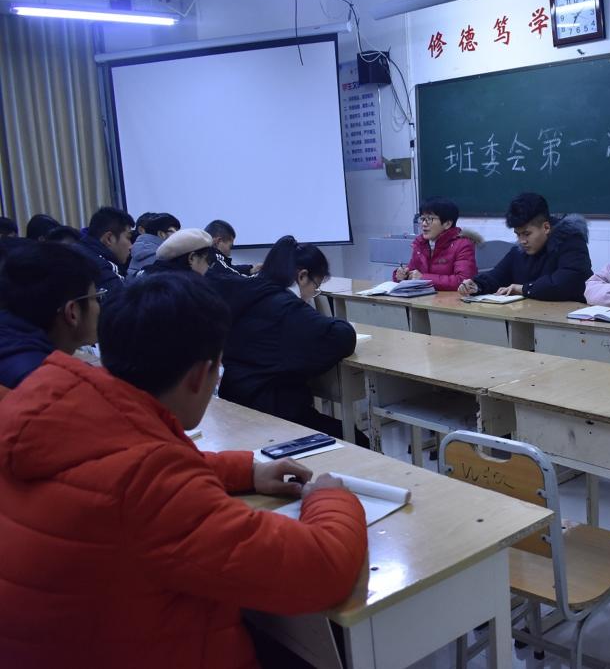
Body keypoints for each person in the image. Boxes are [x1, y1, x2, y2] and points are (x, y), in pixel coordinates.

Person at [0, 272, 367, 666]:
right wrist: (330, 499)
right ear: (199, 375)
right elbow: (323, 572)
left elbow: (109, 462)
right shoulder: (150, 483)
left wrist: (245, 471)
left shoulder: (43, 406)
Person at [206, 235, 367, 446]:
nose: (313, 294)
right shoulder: (286, 307)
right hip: (272, 416)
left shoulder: (247, 290)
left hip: (235, 405)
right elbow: (342, 338)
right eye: (316, 286)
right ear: (302, 276)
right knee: (358, 441)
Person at [0, 242, 102, 388]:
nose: (99, 307)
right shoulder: (53, 386)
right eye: (95, 298)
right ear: (72, 312)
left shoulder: (11, 345)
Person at [458, 192, 592, 301]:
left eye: (527, 234)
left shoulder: (572, 243)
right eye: (518, 234)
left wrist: (523, 289)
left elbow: (562, 284)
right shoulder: (519, 250)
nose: (522, 241)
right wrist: (477, 285)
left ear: (546, 227)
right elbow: (497, 275)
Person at [393, 196, 480, 291]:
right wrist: (402, 275)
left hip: (451, 299)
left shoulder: (462, 244)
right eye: (422, 219)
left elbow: (463, 281)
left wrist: (423, 278)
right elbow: (412, 272)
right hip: (424, 297)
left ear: (447, 224)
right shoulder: (420, 243)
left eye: (429, 219)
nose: (424, 224)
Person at [75, 206, 134, 295]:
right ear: (109, 239)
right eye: (128, 238)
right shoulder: (102, 271)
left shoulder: (78, 252)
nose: (131, 246)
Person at [141, 227, 214, 277]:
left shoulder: (144, 276)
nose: (208, 266)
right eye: (208, 260)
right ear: (192, 258)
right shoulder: (187, 289)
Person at [128, 212, 181, 276]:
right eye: (173, 232)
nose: (178, 236)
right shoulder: (163, 257)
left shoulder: (136, 252)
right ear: (161, 234)